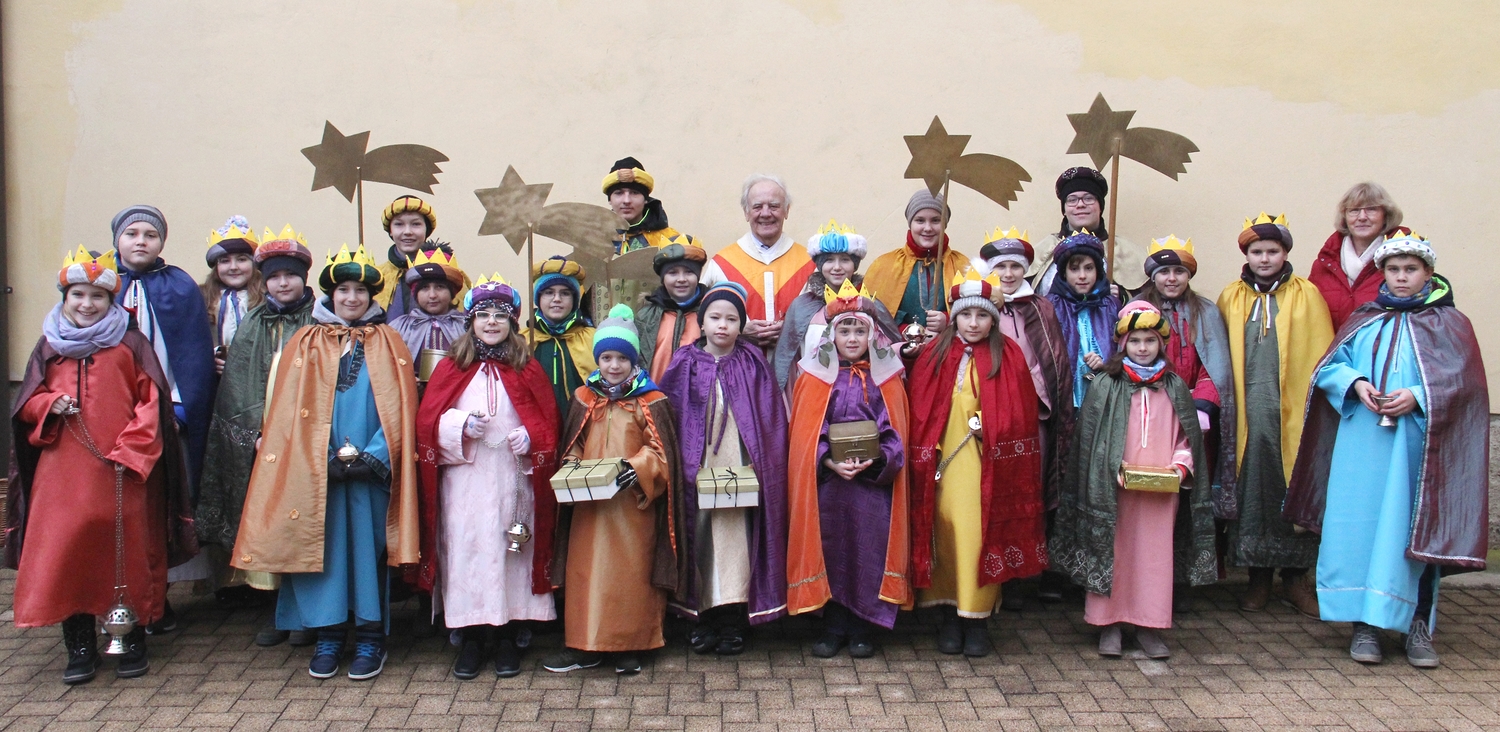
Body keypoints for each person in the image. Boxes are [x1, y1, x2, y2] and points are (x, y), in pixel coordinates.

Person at [1286, 233, 1489, 669]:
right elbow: (1329, 368)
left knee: (1410, 531)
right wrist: (1355, 384)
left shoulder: (1451, 324)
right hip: (1361, 447)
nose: (1401, 277)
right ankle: (1366, 625)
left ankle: (1417, 624)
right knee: (1359, 531)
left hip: (1418, 451)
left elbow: (1465, 384)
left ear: (1428, 274)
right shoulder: (1365, 318)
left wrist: (1418, 395)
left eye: (1410, 270)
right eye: (1394, 270)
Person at [231, 244, 420, 681]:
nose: (351, 298)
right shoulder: (305, 341)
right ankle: (328, 634)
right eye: (343, 290)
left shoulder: (389, 341)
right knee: (322, 547)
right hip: (318, 474)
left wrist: (375, 456)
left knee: (368, 550)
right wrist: (319, 459)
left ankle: (370, 636)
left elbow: (400, 408)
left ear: (372, 296)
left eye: (360, 291)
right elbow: (287, 410)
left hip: (371, 472)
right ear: (330, 295)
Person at [8, 248, 195, 684]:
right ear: (65, 297)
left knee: (125, 553)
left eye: (97, 296)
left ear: (111, 300)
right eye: (78, 295)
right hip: (62, 474)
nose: (87, 304)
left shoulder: (131, 344)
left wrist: (131, 452)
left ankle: (129, 637)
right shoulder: (48, 346)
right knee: (67, 553)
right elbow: (27, 404)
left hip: (123, 471)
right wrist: (49, 404)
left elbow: (152, 404)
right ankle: (79, 644)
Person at [414, 275, 561, 679]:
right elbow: (427, 422)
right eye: (484, 315)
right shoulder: (451, 367)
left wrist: (531, 436)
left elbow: (549, 422)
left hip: (514, 480)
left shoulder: (526, 368)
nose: (492, 322)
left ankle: (509, 636)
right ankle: (472, 637)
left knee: (512, 553)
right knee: (468, 553)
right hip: (465, 483)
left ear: (512, 322)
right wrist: (459, 425)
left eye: (500, 315)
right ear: (471, 322)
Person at [1049, 302, 1214, 660]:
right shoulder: (1106, 384)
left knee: (1153, 557)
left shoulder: (1174, 387)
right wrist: (1111, 465)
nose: (1142, 348)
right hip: (1114, 490)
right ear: (1123, 343)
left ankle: (1148, 624)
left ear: (1161, 344)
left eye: (1150, 341)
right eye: (1135, 341)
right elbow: (1091, 440)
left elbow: (1187, 438)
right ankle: (1108, 622)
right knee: (1115, 551)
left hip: (1160, 494)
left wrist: (1180, 467)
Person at [908, 270, 1048, 657]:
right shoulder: (934, 353)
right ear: (955, 318)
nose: (973, 323)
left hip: (983, 464)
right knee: (944, 534)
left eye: (982, 316)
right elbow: (919, 407)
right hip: (942, 462)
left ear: (993, 319)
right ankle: (948, 616)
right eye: (966, 315)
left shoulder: (1009, 355)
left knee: (975, 537)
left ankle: (977, 618)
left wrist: (994, 426)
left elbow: (1020, 412)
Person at [542, 305, 684, 676]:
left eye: (622, 358)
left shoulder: (650, 400)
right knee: (587, 574)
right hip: (589, 507)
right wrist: (572, 466)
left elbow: (661, 451)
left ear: (634, 359)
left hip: (632, 506)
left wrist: (636, 468)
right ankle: (585, 643)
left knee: (632, 574)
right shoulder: (585, 398)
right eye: (606, 357)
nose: (614, 365)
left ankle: (631, 644)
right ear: (598, 359)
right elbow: (574, 442)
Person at [195, 226, 317, 646]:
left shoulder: (317, 321)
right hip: (261, 440)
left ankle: (306, 610)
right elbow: (238, 385)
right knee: (268, 517)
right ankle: (278, 609)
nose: (282, 284)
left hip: (303, 437)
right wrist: (254, 434)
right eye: (274, 277)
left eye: (290, 276)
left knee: (302, 518)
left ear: (304, 278)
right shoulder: (253, 321)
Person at [659, 282, 790, 655]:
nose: (722, 325)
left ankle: (733, 619)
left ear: (741, 325)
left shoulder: (752, 361)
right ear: (701, 322)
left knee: (737, 540)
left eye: (731, 319)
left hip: (740, 465)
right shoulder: (684, 361)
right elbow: (670, 415)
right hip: (697, 468)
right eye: (715, 317)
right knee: (699, 537)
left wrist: (761, 466)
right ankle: (702, 618)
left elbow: (769, 418)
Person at [783, 283, 910, 658]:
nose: (852, 338)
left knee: (868, 551)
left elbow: (895, 430)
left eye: (859, 331)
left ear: (872, 335)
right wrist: (827, 459)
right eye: (845, 330)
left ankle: (863, 626)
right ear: (831, 335)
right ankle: (833, 624)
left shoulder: (887, 380)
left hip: (873, 487)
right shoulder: (813, 378)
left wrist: (877, 459)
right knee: (832, 550)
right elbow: (806, 433)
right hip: (830, 487)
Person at [1217, 214, 1333, 616]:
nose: (1264, 258)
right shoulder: (1232, 297)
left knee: (1293, 489)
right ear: (1246, 254)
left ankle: (1296, 579)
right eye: (1257, 251)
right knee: (1254, 494)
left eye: (1272, 251)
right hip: (1249, 422)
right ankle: (1258, 578)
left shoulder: (1307, 295)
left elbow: (1321, 352)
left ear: (1285, 253)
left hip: (1292, 418)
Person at [113, 204, 216, 616]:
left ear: (161, 242)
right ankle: (124, 593)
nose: (141, 241)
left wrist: (178, 408)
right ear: (117, 240)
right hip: (116, 416)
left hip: (169, 414)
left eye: (150, 235)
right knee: (123, 508)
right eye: (132, 234)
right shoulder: (103, 288)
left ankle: (160, 594)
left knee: (167, 503)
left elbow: (192, 356)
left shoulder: (180, 286)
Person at [977, 228, 1074, 610]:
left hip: (1034, 416)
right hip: (991, 416)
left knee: (1028, 491)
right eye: (1000, 266)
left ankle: (1023, 575)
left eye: (1015, 266)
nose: (1008, 274)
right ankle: (995, 575)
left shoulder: (1041, 308)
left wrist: (1033, 392)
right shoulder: (980, 307)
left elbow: (1053, 361)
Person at [1131, 236, 1237, 519]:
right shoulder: (1138, 308)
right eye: (1164, 272)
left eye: (1179, 271)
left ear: (1189, 275)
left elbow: (1215, 365)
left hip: (1197, 411)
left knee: (1194, 472)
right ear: (1153, 276)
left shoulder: (1206, 311)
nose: (1171, 278)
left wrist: (1203, 405)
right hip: (1153, 407)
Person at [773, 221, 899, 391]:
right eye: (829, 260)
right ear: (820, 265)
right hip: (814, 393)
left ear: (854, 264)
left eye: (845, 260)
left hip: (862, 394)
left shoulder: (870, 305)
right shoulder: (802, 306)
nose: (837, 267)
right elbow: (786, 361)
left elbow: (890, 356)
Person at [700, 174, 814, 350]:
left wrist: (792, 329)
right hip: (738, 363)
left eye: (774, 206)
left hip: (795, 365)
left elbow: (825, 322)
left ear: (787, 210)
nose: (766, 213)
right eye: (757, 207)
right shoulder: (721, 264)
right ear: (746, 212)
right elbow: (700, 322)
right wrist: (738, 329)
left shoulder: (810, 264)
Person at [863, 190, 968, 335]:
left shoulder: (962, 265)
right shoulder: (884, 265)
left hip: (948, 346)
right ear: (910, 223)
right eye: (920, 220)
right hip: (898, 346)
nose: (928, 228)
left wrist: (948, 320)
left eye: (936, 220)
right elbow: (872, 314)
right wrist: (905, 330)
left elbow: (977, 314)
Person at [1307, 182, 1411, 329]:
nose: (1362, 217)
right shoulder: (1324, 263)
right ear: (1345, 216)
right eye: (1354, 210)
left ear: (1386, 215)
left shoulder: (1404, 260)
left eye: (1371, 209)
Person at [1029, 167, 1147, 295]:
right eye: (1072, 200)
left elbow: (1147, 299)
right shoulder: (1043, 250)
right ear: (1064, 209)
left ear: (1100, 207)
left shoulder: (1127, 252)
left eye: (1089, 198)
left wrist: (1121, 298)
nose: (1080, 205)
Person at [1046, 230, 1122, 414]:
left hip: (1104, 394)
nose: (1082, 276)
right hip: (1066, 395)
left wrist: (1107, 363)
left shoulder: (1111, 305)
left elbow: (1124, 348)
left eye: (1088, 268)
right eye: (1074, 269)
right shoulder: (1050, 306)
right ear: (1064, 273)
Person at [601, 157, 684, 311]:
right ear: (610, 200)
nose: (626, 200)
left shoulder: (670, 241)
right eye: (619, 193)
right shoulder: (593, 239)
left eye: (634, 193)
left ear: (645, 199)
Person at [523, 256, 596, 419]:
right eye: (549, 292)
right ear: (538, 298)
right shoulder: (522, 341)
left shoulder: (593, 338)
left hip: (583, 425)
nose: (557, 299)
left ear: (574, 299)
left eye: (565, 293)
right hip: (537, 426)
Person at [635, 237, 708, 380]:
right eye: (673, 272)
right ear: (663, 278)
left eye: (689, 272)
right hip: (654, 391)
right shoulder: (646, 316)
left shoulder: (710, 313)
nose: (681, 279)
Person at [200, 216, 265, 374]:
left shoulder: (267, 298)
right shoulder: (202, 298)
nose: (233, 267)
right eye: (224, 261)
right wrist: (209, 358)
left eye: (241, 259)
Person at [389, 245, 468, 369]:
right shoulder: (398, 328)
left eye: (440, 287)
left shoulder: (466, 327)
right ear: (415, 293)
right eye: (425, 288)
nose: (432, 295)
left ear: (452, 292)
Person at [374, 195, 437, 318]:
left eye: (416, 224)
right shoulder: (377, 277)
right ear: (390, 230)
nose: (407, 231)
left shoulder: (447, 275)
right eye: (399, 224)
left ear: (427, 229)